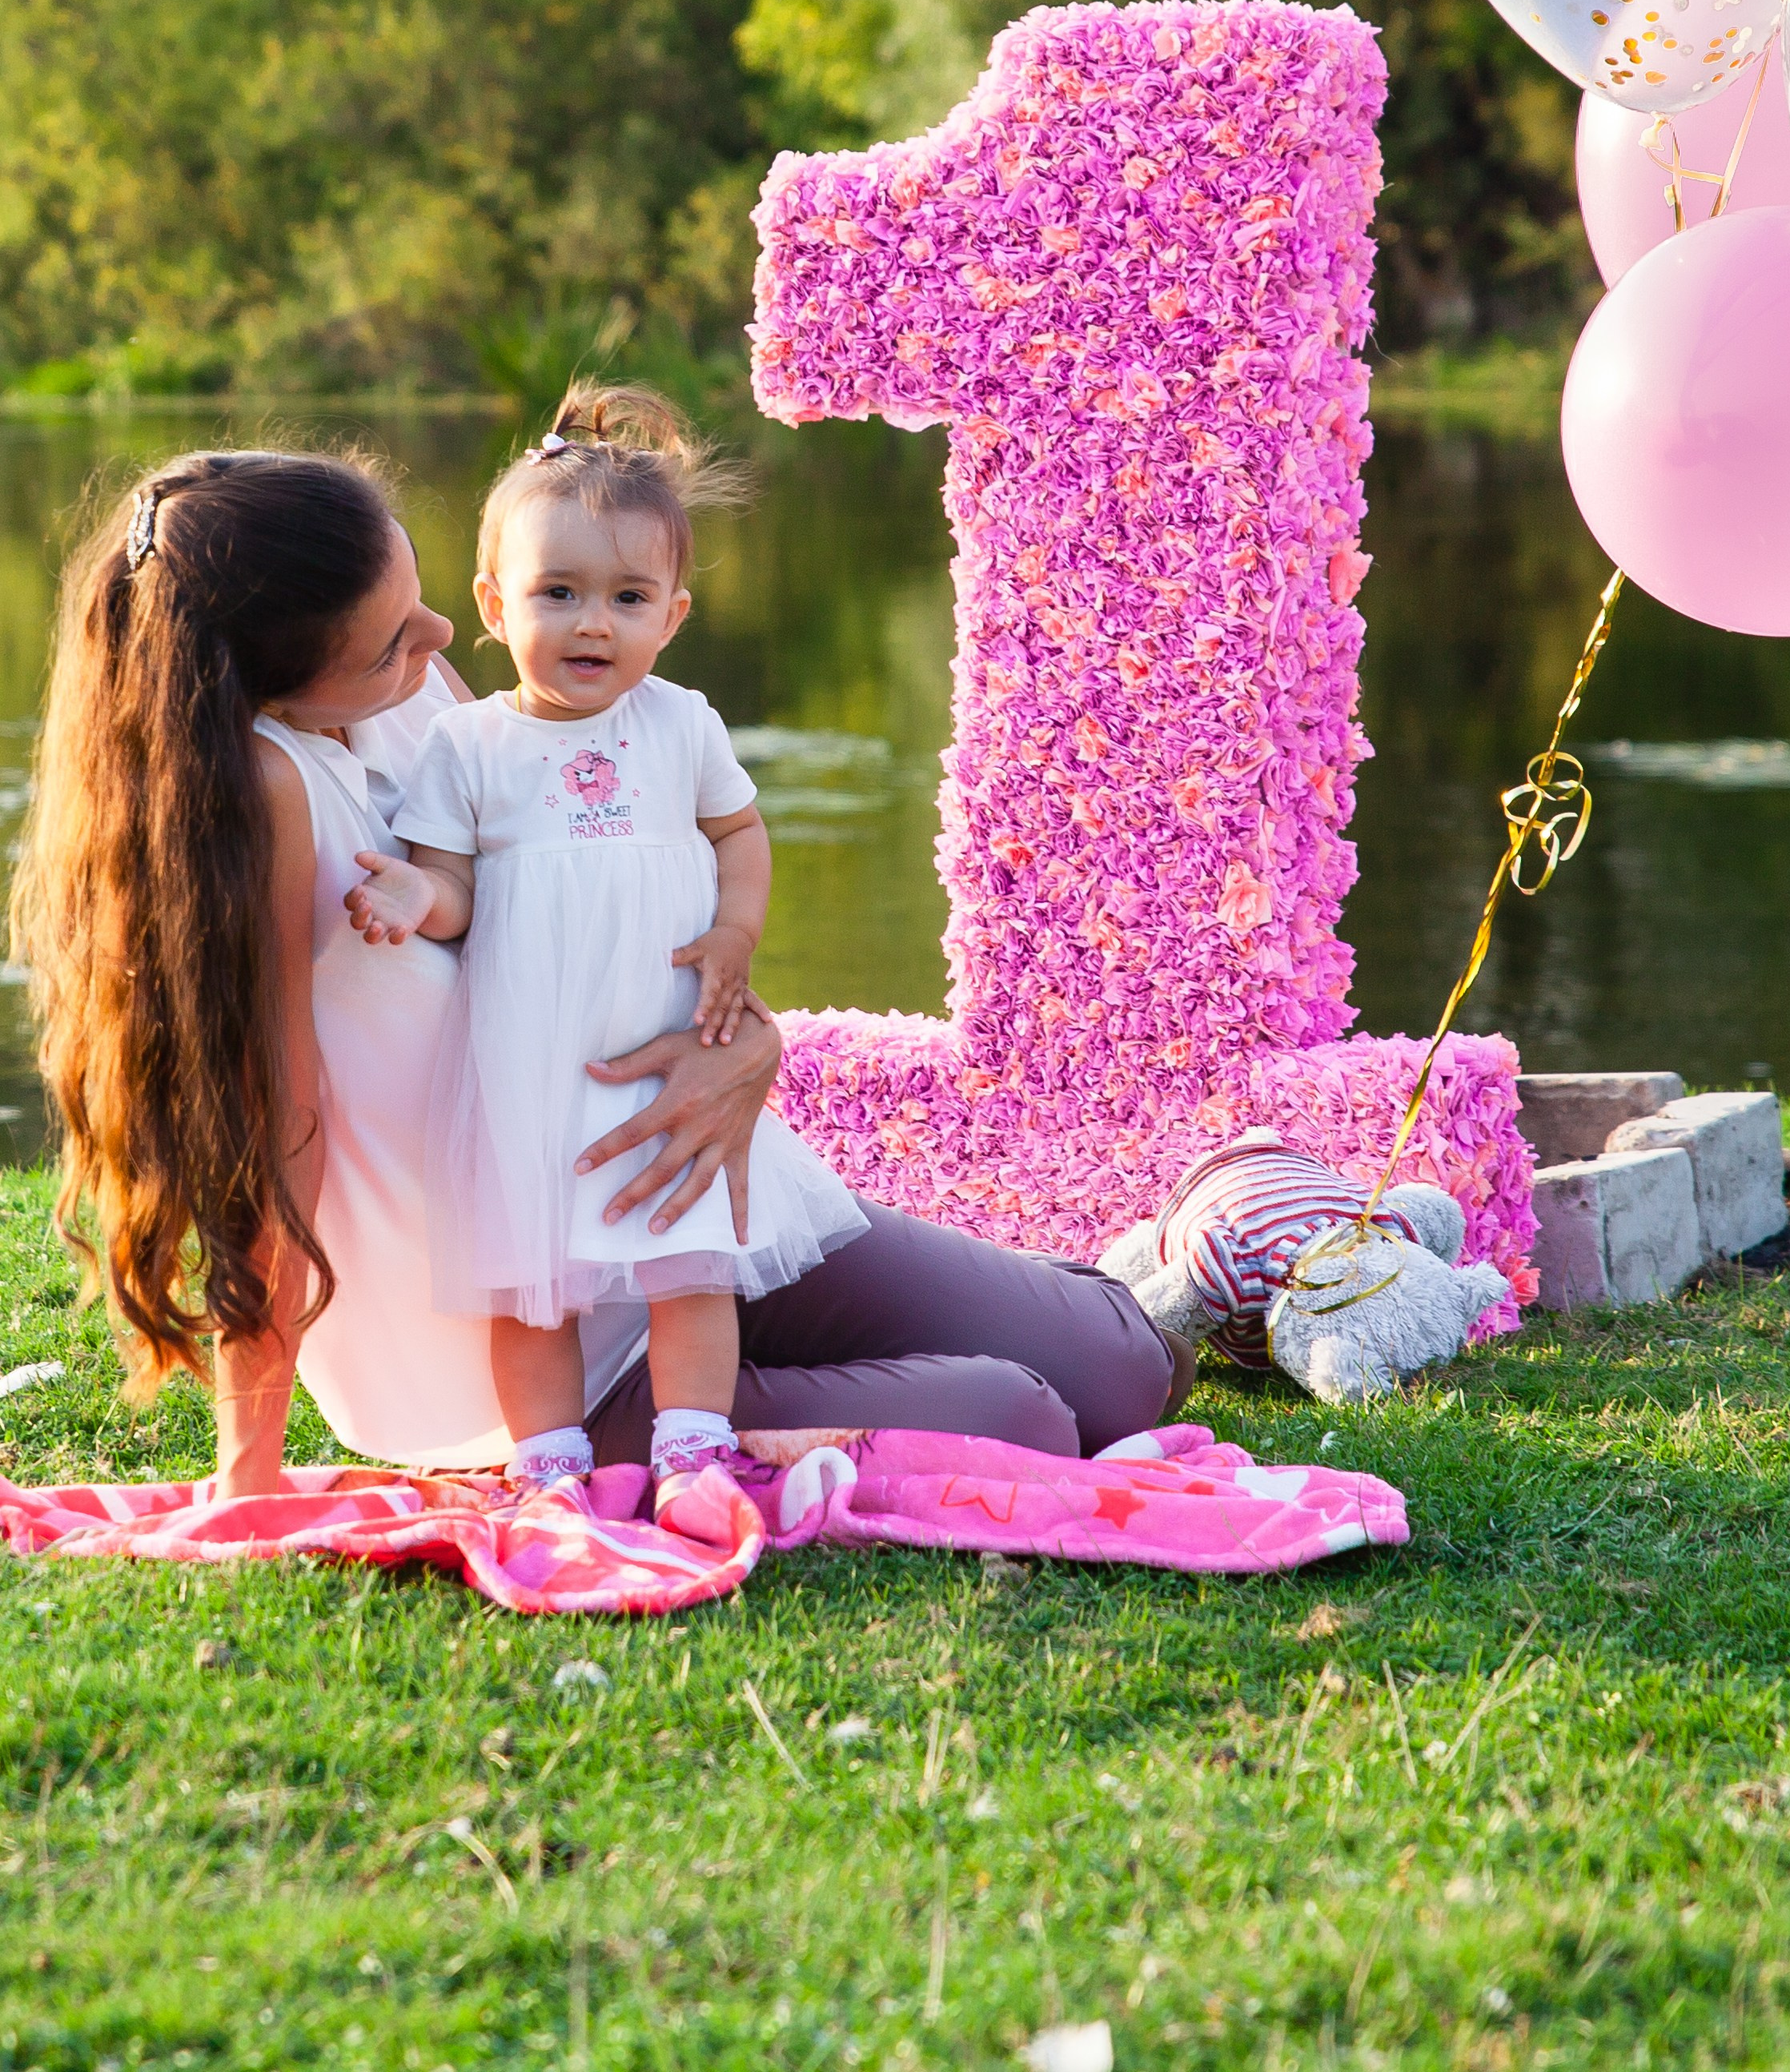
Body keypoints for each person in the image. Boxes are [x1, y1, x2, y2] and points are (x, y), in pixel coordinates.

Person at [13, 442, 1186, 1499]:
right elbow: (276, 1134)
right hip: (552, 1337)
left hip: (683, 1200)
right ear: (271, 683)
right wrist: (249, 1469)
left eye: (420, 601)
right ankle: (651, 1435)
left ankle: (1179, 1258)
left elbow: (599, 890)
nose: (439, 640)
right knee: (1030, 1418)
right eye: (389, 642)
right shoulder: (266, 795)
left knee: (1124, 1371)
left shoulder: (416, 706)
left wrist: (747, 1047)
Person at [345, 387, 869, 1503]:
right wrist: (411, 894)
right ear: (494, 604)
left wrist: (734, 932)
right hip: (535, 1061)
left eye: (628, 598)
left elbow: (740, 834)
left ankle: (693, 1445)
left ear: (672, 616)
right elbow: (456, 889)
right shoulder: (468, 746)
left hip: (663, 1038)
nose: (595, 624)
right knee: (533, 1284)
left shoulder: (681, 722)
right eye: (560, 593)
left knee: (690, 1260)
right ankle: (548, 1460)